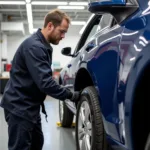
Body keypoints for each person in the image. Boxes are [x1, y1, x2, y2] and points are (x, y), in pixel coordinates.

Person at [0, 9, 80, 150]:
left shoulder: (42, 45)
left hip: (30, 106)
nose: (63, 36)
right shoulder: (35, 47)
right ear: (50, 26)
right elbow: (45, 83)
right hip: (19, 107)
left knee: (37, 143)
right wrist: (70, 95)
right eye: (62, 31)